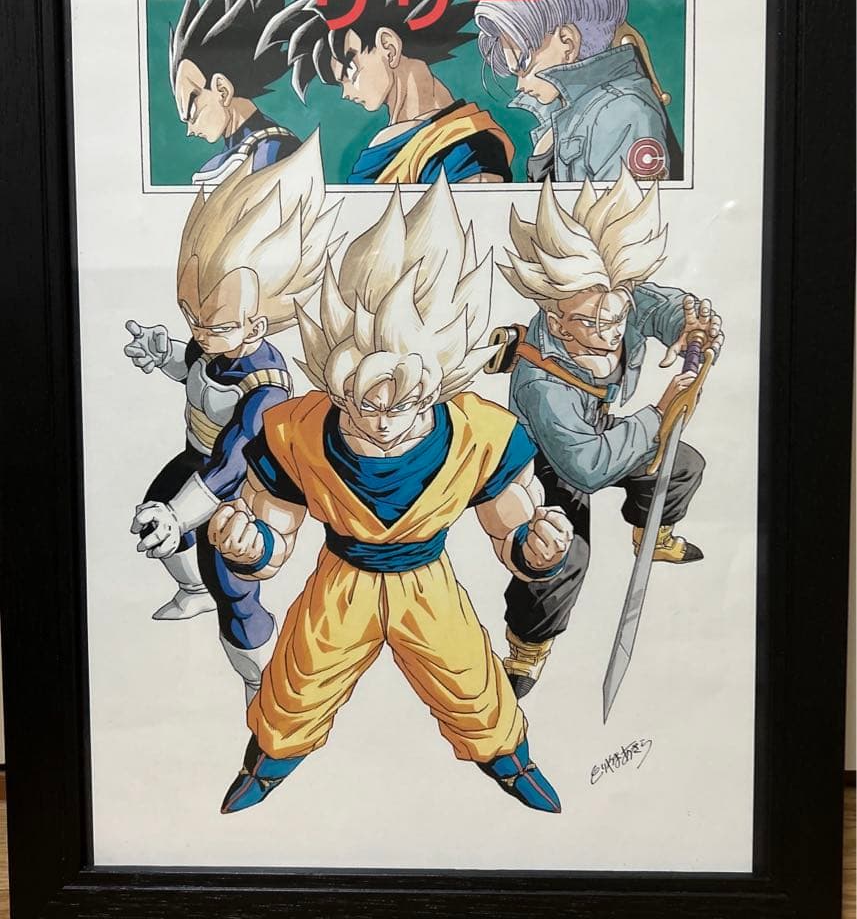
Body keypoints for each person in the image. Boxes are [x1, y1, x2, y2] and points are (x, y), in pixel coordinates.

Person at [208, 172, 572, 815]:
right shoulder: (296, 431)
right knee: (298, 684)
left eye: (403, 404)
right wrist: (247, 545)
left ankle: (510, 762)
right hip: (341, 580)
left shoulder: (479, 433)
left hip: (427, 582)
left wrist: (534, 547)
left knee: (472, 685)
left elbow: (508, 528)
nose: (382, 421)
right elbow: (275, 534)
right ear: (335, 378)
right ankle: (264, 766)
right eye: (364, 403)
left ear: (441, 382)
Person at [123, 134, 344, 703]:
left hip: (246, 486)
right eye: (191, 317)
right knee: (162, 522)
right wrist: (164, 354)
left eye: (216, 325)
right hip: (197, 458)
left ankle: (260, 680)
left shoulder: (266, 384)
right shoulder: (211, 339)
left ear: (257, 325)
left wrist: (181, 512)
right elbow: (195, 370)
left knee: (233, 582)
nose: (201, 332)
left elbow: (236, 455)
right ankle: (192, 590)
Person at [489, 168, 723, 696]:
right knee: (560, 555)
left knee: (681, 465)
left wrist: (690, 329)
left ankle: (652, 534)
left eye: (616, 319)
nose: (610, 333)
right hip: (544, 458)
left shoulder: (612, 300)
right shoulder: (541, 384)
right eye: (591, 325)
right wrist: (658, 412)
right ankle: (527, 649)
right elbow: (587, 468)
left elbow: (660, 306)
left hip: (598, 432)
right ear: (556, 317)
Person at [256, 0, 514, 184]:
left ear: (388, 48)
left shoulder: (469, 147)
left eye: (350, 73)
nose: (346, 93)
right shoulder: (389, 140)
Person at [474, 0, 683, 183]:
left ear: (567, 42)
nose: (520, 86)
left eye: (524, 66)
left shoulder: (623, 112)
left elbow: (628, 211)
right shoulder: (575, 115)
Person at [169, 0, 302, 189]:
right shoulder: (214, 165)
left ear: (222, 90)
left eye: (192, 114)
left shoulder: (274, 151)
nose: (190, 131)